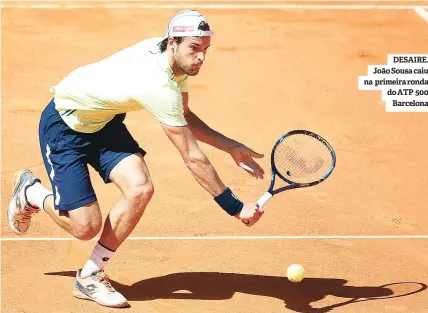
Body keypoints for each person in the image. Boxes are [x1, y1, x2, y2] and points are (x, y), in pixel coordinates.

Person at [7, 10, 265, 308]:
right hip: (65, 125)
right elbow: (192, 157)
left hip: (103, 124)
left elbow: (183, 115)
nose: (201, 58)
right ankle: (31, 192)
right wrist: (234, 207)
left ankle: (91, 274)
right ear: (173, 42)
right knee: (85, 228)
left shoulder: (172, 62)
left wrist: (230, 145)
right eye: (194, 48)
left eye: (205, 49)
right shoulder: (155, 83)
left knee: (140, 188)